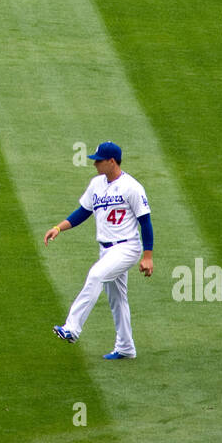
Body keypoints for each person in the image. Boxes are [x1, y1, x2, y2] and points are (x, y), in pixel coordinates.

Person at [45, 142, 154, 359]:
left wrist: (148, 256)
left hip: (127, 247)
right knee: (117, 299)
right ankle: (125, 347)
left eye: (99, 160)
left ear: (111, 161)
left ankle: (72, 328)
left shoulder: (132, 187)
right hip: (106, 250)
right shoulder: (96, 184)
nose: (95, 163)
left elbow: (146, 222)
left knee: (95, 275)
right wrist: (59, 228)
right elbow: (83, 212)